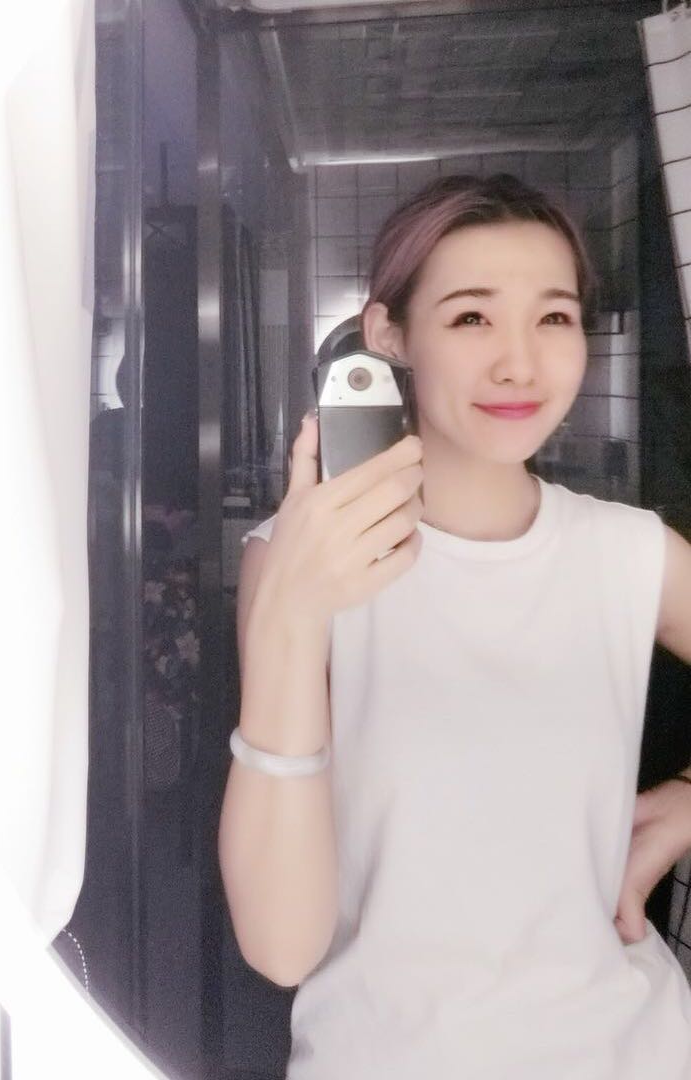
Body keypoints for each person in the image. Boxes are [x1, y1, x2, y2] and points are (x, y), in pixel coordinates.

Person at [218, 173, 691, 1077]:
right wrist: (291, 613)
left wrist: (686, 805)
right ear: (388, 334)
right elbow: (281, 947)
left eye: (553, 318)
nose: (520, 364)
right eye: (472, 317)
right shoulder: (299, 557)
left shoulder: (630, 553)